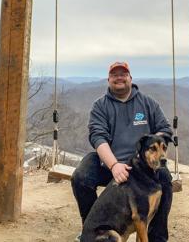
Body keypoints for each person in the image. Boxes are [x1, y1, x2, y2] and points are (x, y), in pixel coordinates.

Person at [71, 61, 174, 242]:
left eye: (123, 74)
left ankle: (156, 238)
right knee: (81, 176)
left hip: (140, 166)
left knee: (165, 178)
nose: (119, 77)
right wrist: (114, 165)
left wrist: (151, 145)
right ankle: (91, 229)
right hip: (109, 162)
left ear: (130, 78)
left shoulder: (148, 103)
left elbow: (164, 129)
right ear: (109, 79)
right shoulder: (100, 106)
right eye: (114, 75)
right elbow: (98, 137)